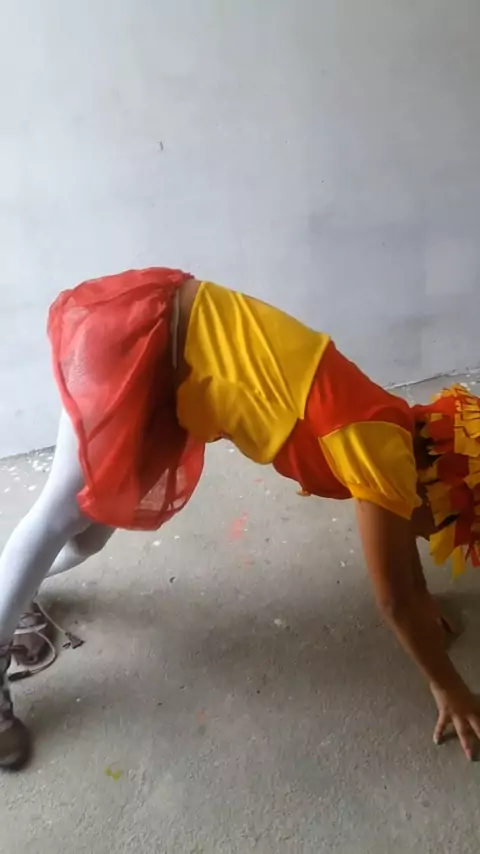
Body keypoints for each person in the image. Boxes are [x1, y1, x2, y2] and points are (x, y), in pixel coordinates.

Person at [1, 267, 480, 771]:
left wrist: (423, 598)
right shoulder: (378, 454)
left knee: (88, 537)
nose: (434, 538)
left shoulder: (400, 429)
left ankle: (16, 587)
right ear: (443, 495)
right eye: (447, 528)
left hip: (176, 346)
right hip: (147, 343)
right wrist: (448, 686)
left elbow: (404, 568)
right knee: (60, 516)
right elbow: (394, 599)